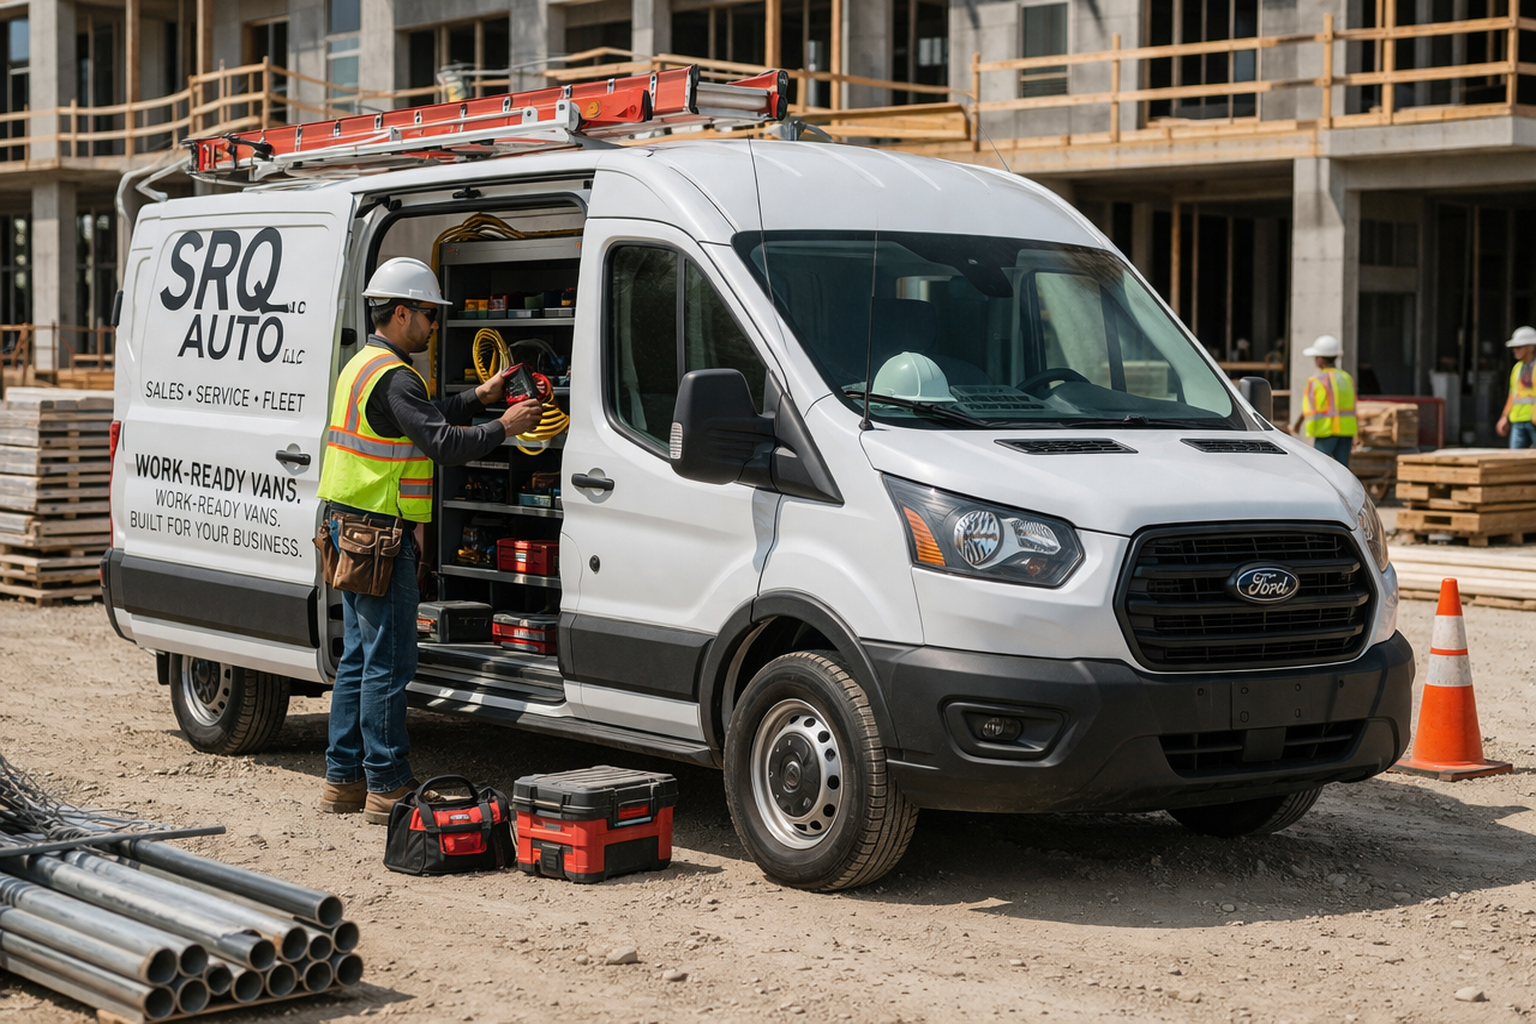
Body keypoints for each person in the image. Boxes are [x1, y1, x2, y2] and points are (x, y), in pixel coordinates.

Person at [314, 257, 544, 823]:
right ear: (401, 313)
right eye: (429, 315)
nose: (435, 325)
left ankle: (343, 780)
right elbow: (441, 442)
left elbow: (421, 419)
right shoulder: (395, 376)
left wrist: (481, 396)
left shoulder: (363, 366)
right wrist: (504, 428)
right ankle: (387, 783)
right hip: (379, 534)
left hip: (350, 525)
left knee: (358, 659)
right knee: (388, 662)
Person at [1291, 334, 1358, 467]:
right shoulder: (1346, 378)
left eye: (1315, 357)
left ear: (1320, 360)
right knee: (1343, 470)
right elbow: (1353, 406)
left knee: (1320, 468)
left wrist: (1297, 425)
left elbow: (1309, 407)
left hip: (1326, 430)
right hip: (1346, 430)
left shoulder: (1316, 380)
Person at [1495, 325, 1536, 449]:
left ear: (1531, 347)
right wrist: (1504, 417)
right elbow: (1513, 395)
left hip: (1534, 421)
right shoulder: (1517, 368)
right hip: (1518, 421)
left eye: (1518, 347)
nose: (1515, 350)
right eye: (1514, 348)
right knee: (1515, 461)